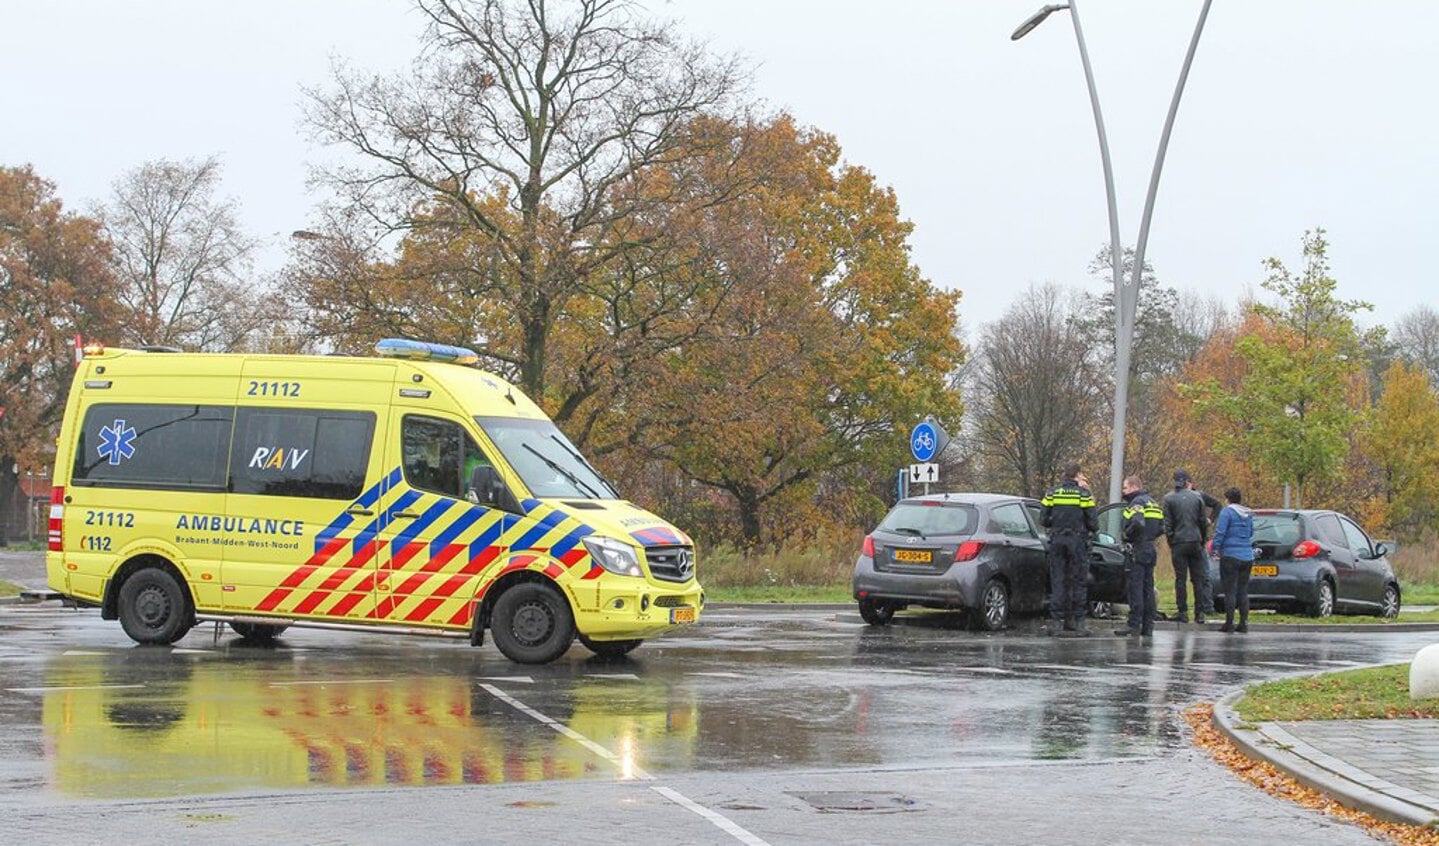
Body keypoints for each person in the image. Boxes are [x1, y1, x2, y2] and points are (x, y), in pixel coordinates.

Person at [1040, 463, 1098, 638]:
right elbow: (1093, 523)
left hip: (1057, 539)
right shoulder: (1083, 494)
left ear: (1064, 475)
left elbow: (1043, 519)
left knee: (1058, 580)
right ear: (1077, 475)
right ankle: (1079, 622)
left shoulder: (1052, 493)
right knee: (1078, 581)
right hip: (1077, 540)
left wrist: (1057, 522)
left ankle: (1056, 623)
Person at [1114, 475, 1164, 637]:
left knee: (1135, 588)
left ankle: (1134, 624)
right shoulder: (1153, 503)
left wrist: (1127, 535)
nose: (1124, 491)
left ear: (1134, 487)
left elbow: (1137, 522)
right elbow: (1163, 527)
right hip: (1150, 547)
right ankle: (1148, 626)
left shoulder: (1136, 503)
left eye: (1125, 487)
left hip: (1137, 548)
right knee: (1148, 588)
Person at [1162, 469, 1210, 624]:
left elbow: (1167, 524)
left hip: (1179, 542)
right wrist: (1202, 540)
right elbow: (1203, 521)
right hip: (1195, 541)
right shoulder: (1197, 497)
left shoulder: (1168, 499)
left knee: (1180, 579)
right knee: (1198, 579)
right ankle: (1200, 612)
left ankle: (1183, 612)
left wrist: (1171, 541)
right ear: (1187, 481)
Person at [1212, 487, 1255, 633]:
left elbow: (1220, 532)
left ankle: (1229, 623)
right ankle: (1243, 623)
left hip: (1230, 555)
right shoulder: (1248, 514)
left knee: (1230, 590)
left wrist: (1215, 549)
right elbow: (1250, 533)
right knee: (1243, 590)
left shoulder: (1227, 512)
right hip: (1247, 556)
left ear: (1228, 499)